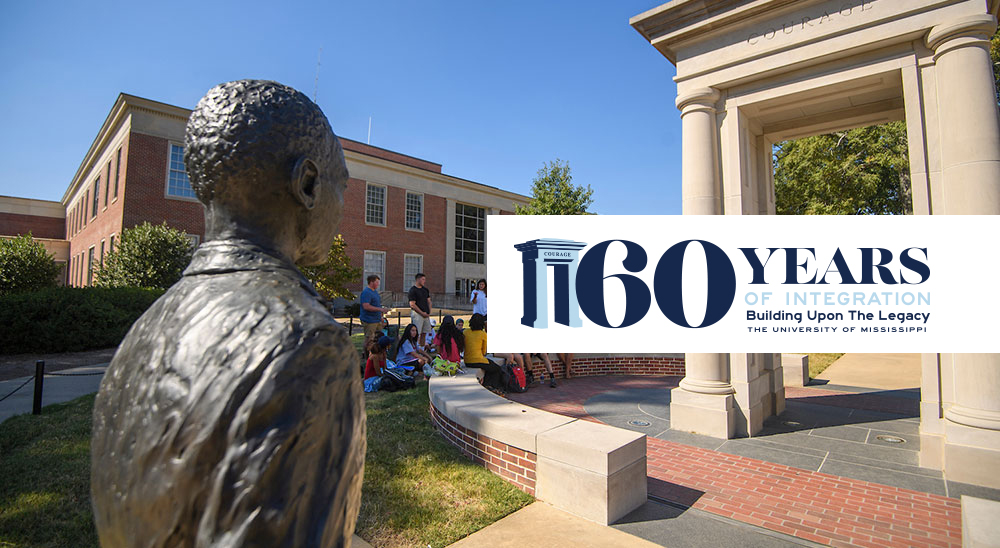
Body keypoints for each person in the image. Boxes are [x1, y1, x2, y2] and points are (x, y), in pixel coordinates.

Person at [90, 80, 363, 547]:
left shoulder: (143, 331)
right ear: (308, 184)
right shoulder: (307, 346)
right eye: (341, 186)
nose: (343, 209)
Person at [463, 313, 504, 391]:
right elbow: (484, 352)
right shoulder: (483, 334)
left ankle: (487, 385)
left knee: (489, 367)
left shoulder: (465, 332)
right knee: (497, 369)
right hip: (478, 360)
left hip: (467, 361)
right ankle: (492, 386)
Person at [360, 274, 390, 353]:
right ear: (371, 282)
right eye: (377, 282)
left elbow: (377, 305)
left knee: (379, 337)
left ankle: (377, 353)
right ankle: (366, 355)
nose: (378, 284)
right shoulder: (366, 292)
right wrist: (380, 309)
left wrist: (380, 316)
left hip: (377, 320)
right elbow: (366, 306)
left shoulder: (375, 292)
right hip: (369, 320)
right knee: (369, 338)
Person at [408, 273, 434, 341]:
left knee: (424, 332)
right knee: (416, 333)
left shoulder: (425, 290)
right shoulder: (413, 290)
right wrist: (422, 313)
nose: (424, 281)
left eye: (424, 279)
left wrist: (429, 311)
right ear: (418, 279)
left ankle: (422, 348)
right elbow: (412, 304)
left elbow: (429, 301)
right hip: (417, 314)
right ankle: (415, 347)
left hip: (426, 314)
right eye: (423, 279)